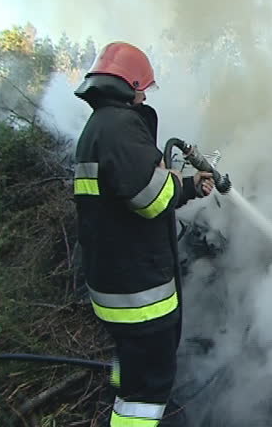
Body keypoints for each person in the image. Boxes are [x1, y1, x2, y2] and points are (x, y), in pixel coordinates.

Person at [73, 41, 213, 426]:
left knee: (128, 365)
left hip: (112, 288)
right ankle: (128, 414)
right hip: (139, 297)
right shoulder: (120, 127)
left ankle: (119, 397)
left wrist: (182, 184)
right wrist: (181, 185)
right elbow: (150, 198)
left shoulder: (97, 128)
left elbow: (126, 192)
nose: (145, 94)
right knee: (147, 392)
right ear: (129, 84)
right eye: (143, 87)